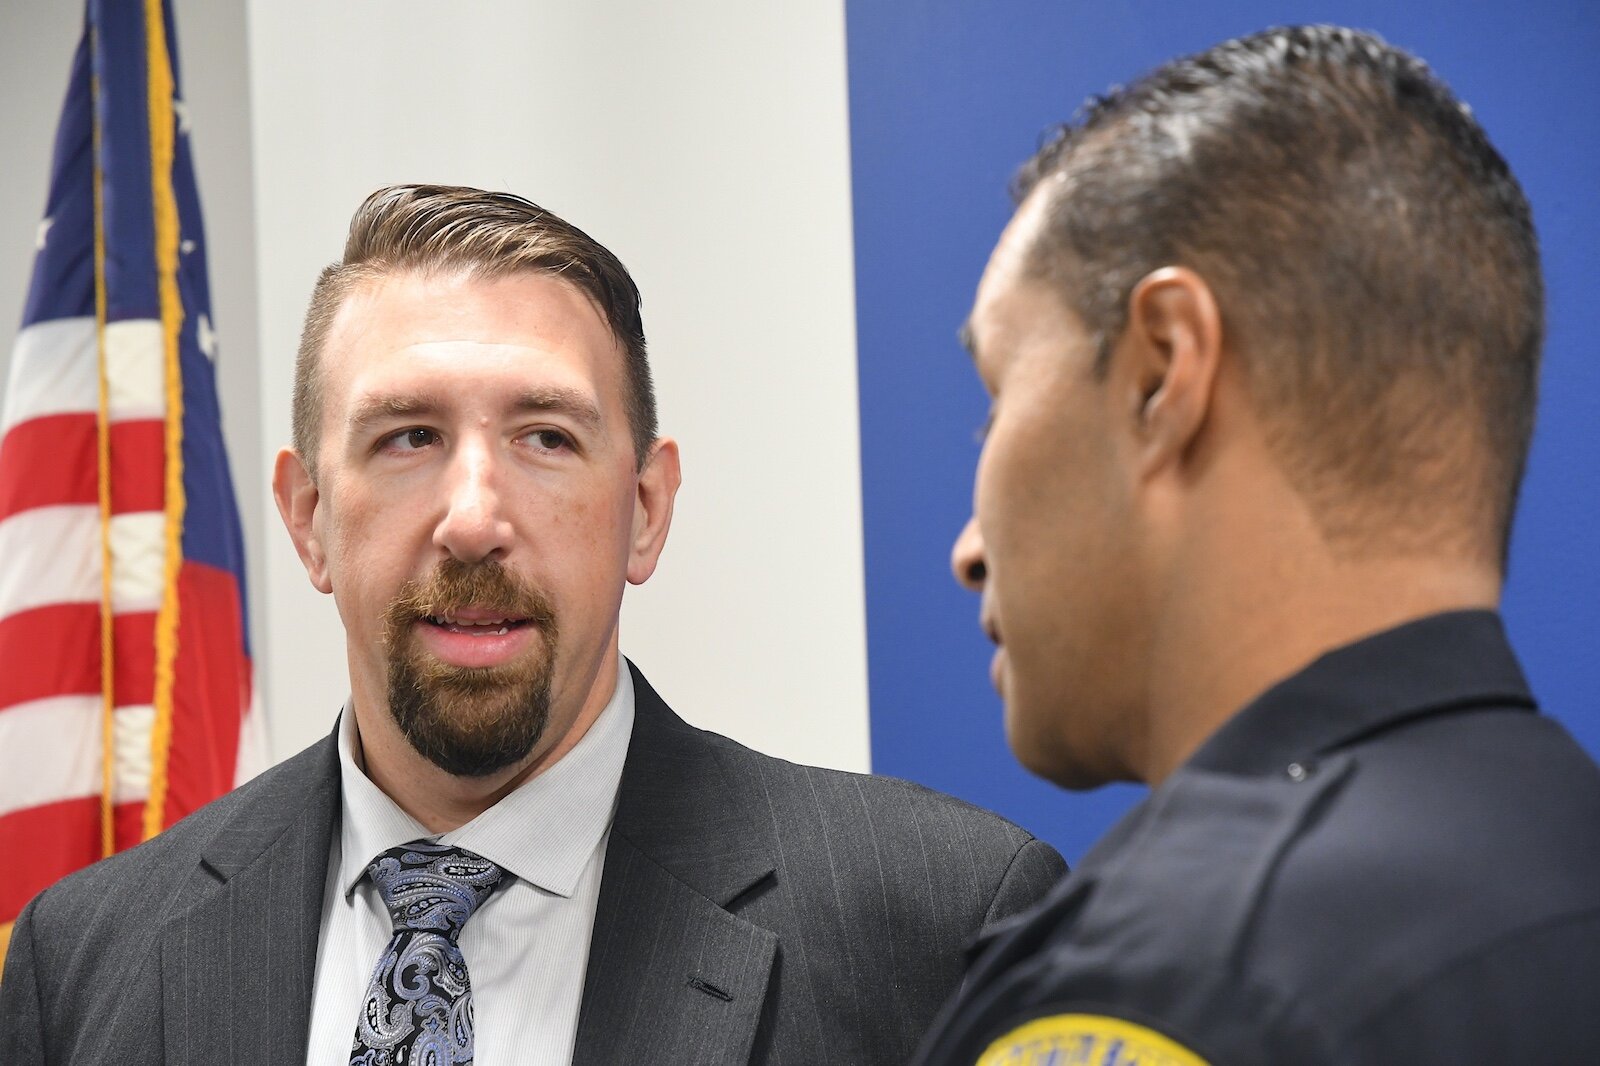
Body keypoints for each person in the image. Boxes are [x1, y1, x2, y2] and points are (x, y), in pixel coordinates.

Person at [0, 185, 1065, 1066]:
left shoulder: (946, 925)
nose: (473, 519)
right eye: (408, 435)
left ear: (644, 511)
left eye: (546, 438)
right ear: (309, 518)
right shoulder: (86, 959)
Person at [914, 24, 1600, 1066]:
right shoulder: (1559, 869)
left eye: (996, 398)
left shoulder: (1170, 980)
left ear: (1161, 372)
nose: (968, 548)